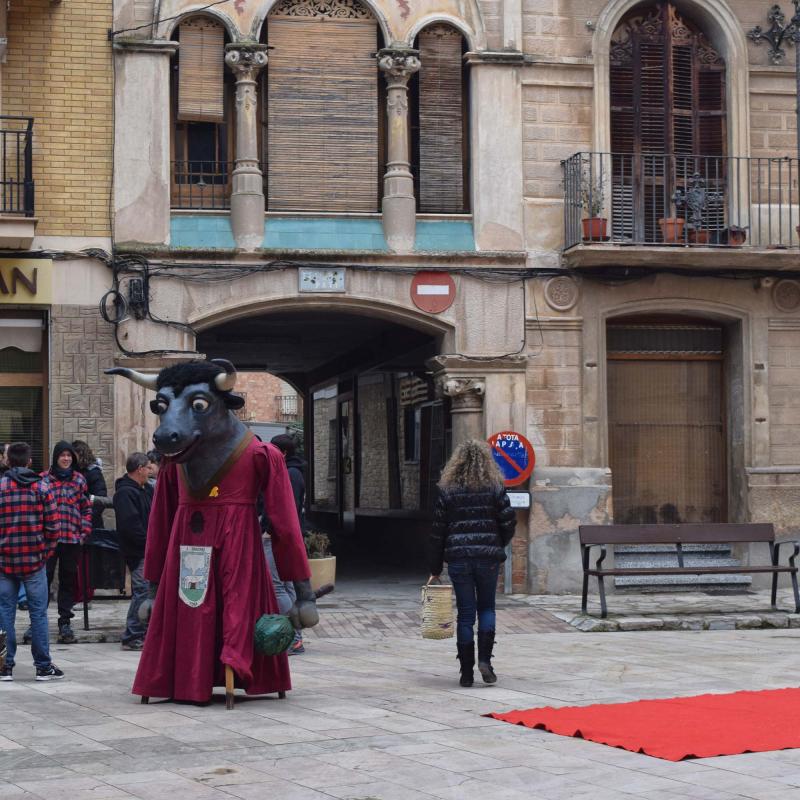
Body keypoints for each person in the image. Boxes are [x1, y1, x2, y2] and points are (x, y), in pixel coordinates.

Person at [429, 439, 516, 688]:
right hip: (488, 558)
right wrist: (498, 543)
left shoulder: (448, 491)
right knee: (487, 608)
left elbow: (438, 531)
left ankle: (466, 672)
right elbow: (508, 521)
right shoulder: (495, 487)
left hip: (459, 559)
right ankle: (485, 661)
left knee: (466, 614)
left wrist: (435, 566)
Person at [0, 442, 64, 681]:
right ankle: (43, 666)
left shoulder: (1, 487)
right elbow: (54, 527)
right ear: (29, 461)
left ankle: (4, 666)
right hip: (35, 562)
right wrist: (44, 553)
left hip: (5, 561)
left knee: (4, 613)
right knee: (38, 614)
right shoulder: (42, 487)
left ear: (8, 461)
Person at [42, 441, 92, 644]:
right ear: (55, 457)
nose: (66, 459)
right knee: (42, 581)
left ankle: (65, 622)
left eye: (69, 456)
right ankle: (37, 622)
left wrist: (84, 530)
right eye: (62, 455)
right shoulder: (44, 479)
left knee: (67, 581)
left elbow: (86, 508)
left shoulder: (79, 480)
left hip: (71, 538)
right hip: (48, 540)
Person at [264, 434, 307, 655]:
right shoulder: (295, 472)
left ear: (283, 453)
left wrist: (267, 528)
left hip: (279, 536)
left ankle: (293, 636)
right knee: (287, 585)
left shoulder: (289, 474)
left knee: (278, 585)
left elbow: (280, 506)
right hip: (287, 535)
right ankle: (295, 637)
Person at [113, 453, 153, 651]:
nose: (150, 471)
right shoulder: (125, 493)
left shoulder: (145, 490)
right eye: (147, 467)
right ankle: (132, 634)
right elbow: (131, 526)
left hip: (147, 550)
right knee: (141, 592)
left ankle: (141, 632)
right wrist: (148, 543)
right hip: (138, 551)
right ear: (139, 469)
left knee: (145, 591)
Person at [72, 440, 113, 607]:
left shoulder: (93, 473)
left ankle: (85, 597)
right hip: (74, 524)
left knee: (86, 563)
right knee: (76, 562)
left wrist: (86, 520)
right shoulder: (75, 472)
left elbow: (99, 499)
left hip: (89, 525)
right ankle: (77, 595)